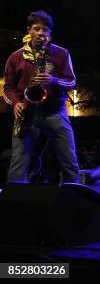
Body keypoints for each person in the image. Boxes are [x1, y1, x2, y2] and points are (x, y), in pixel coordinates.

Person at [3, 10, 80, 183]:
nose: (40, 33)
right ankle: (15, 203)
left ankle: (75, 199)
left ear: (50, 33)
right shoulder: (15, 57)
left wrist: (53, 80)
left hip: (55, 112)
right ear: (29, 31)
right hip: (27, 112)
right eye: (36, 29)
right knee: (19, 161)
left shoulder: (61, 54)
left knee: (69, 160)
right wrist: (15, 103)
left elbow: (71, 82)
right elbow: (8, 88)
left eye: (45, 30)